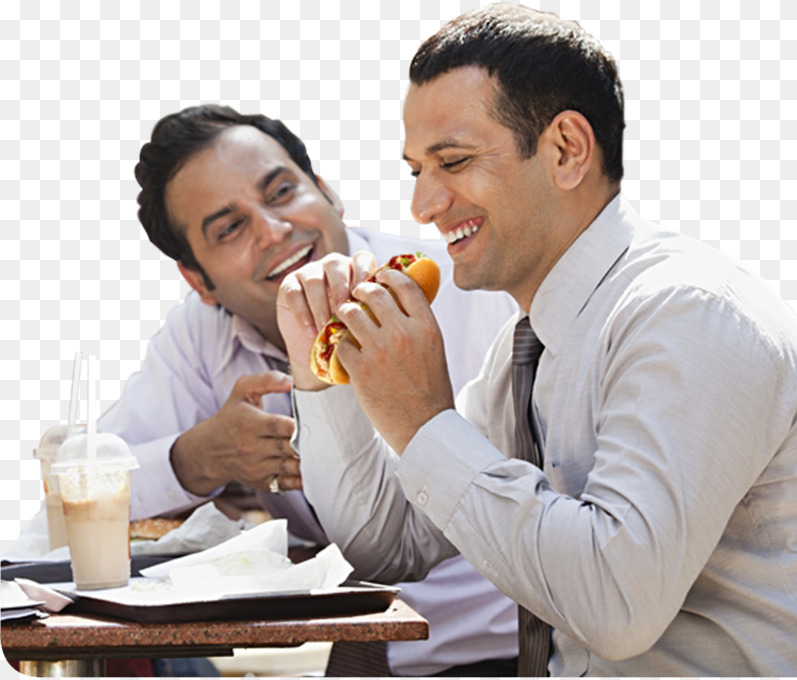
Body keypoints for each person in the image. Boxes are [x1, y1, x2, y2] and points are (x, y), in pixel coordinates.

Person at [276, 4, 797, 676]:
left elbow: (616, 606)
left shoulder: (686, 313)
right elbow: (388, 545)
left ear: (567, 149)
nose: (423, 205)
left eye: (452, 161)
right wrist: (323, 378)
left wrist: (425, 422)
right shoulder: (531, 344)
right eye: (416, 170)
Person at [98, 104, 520, 676]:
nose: (274, 231)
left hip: (495, 654)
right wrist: (201, 458)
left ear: (327, 191)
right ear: (198, 280)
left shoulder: (471, 287)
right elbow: (85, 480)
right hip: (333, 655)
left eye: (281, 193)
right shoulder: (201, 339)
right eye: (230, 228)